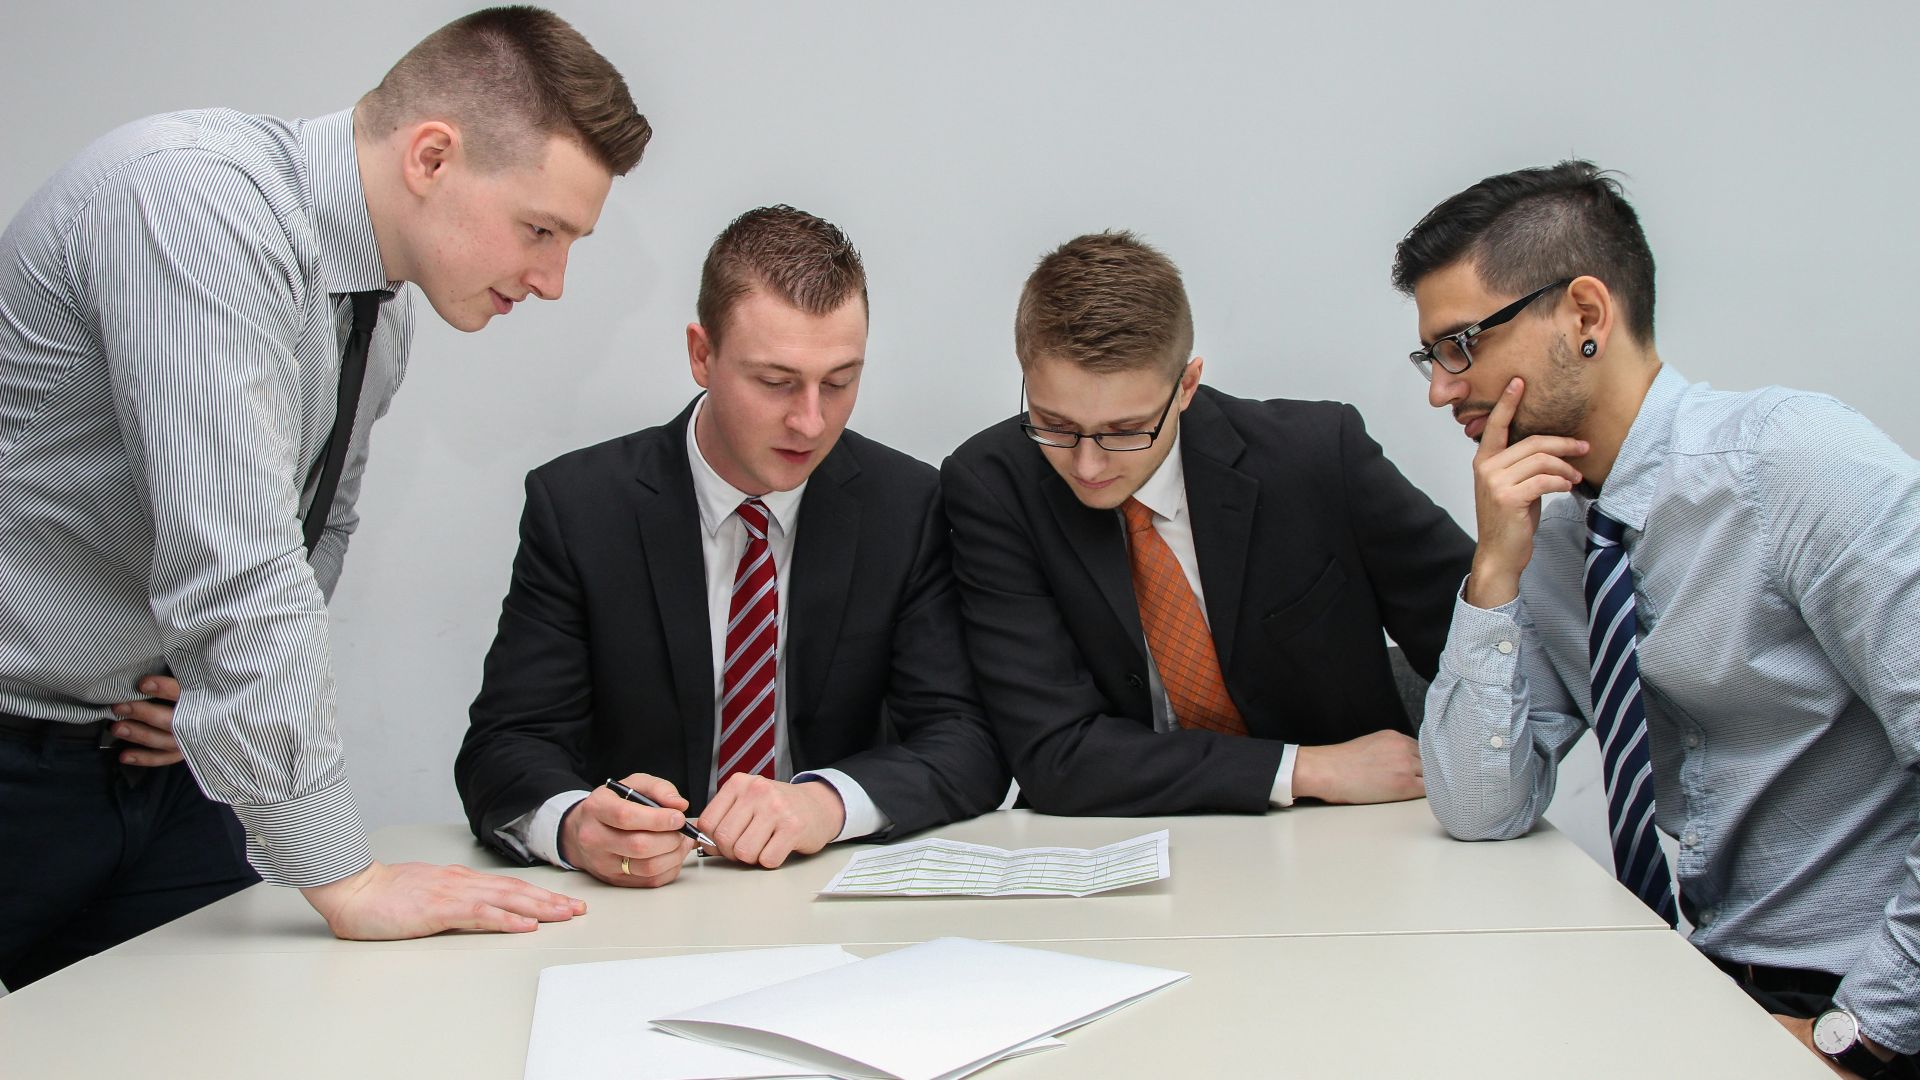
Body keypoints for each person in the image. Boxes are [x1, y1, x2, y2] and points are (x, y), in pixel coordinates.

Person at [0, 6, 653, 989]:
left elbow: (318, 527)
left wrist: (205, 698)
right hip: (12, 755)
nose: (553, 280)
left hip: (143, 763)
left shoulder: (377, 312)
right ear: (431, 156)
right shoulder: (192, 200)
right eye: (540, 229)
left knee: (241, 1037)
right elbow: (239, 563)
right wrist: (347, 875)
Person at [1397, 161, 1919, 1077]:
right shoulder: (1558, 543)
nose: (1443, 390)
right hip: (1710, 982)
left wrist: (1863, 1034)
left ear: (1586, 317)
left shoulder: (1796, 465)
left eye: (1462, 345)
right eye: (1433, 357)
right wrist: (1493, 571)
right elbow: (1479, 810)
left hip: (1863, 997)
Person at [455, 205, 1008, 886]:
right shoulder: (580, 508)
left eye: (839, 382)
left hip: (825, 897)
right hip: (638, 907)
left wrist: (824, 803)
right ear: (701, 355)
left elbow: (967, 742)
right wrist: (576, 828)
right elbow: (505, 746)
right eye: (774, 382)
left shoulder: (907, 506)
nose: (810, 421)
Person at [940, 231, 1472, 817]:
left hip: (1349, 834)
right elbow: (1056, 756)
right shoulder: (992, 486)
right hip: (1119, 839)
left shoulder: (1317, 458)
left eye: (1124, 431)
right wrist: (1305, 768)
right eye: (1054, 424)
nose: (1087, 465)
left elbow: (1482, 653)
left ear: (1186, 386)